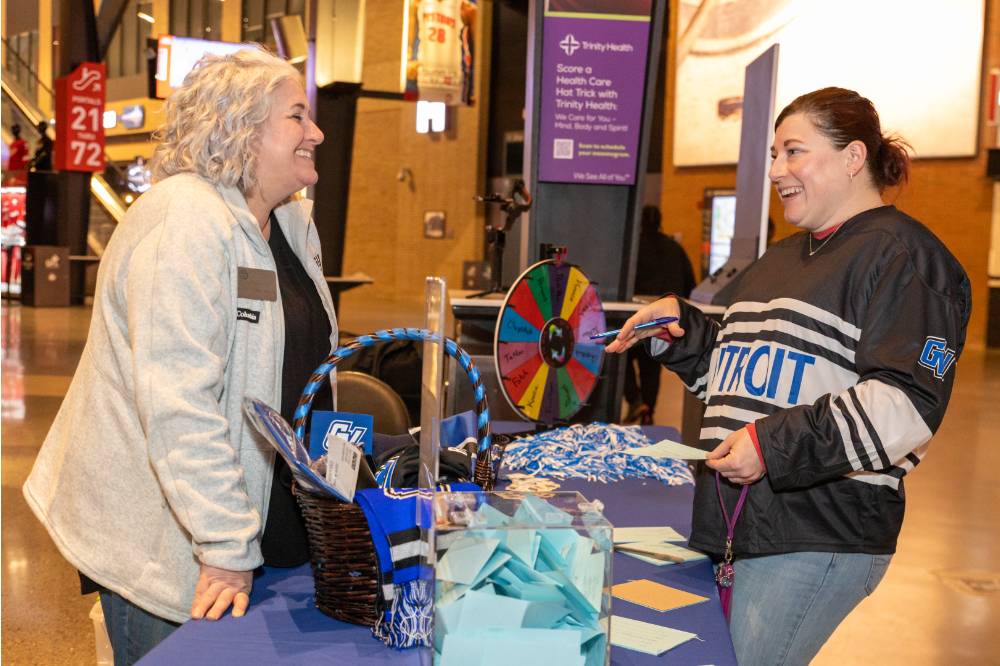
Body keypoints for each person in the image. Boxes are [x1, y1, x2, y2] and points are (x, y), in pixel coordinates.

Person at [606, 87, 970, 664]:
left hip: (817, 533)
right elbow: (740, 387)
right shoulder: (779, 258)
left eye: (793, 152)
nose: (776, 170)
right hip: (743, 527)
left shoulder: (906, 258)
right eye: (774, 155)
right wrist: (685, 337)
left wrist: (771, 448)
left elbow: (905, 405)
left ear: (853, 157)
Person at [23, 46, 335, 664]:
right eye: (297, 117)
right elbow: (178, 403)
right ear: (243, 129)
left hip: (260, 528)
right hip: (172, 544)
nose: (316, 132)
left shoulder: (294, 224)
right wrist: (225, 546)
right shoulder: (183, 223)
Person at [624, 205, 696, 424]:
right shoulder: (674, 248)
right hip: (662, 321)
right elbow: (690, 283)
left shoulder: (631, 247)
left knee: (622, 357)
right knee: (651, 366)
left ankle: (635, 400)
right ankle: (648, 411)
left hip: (631, 316)